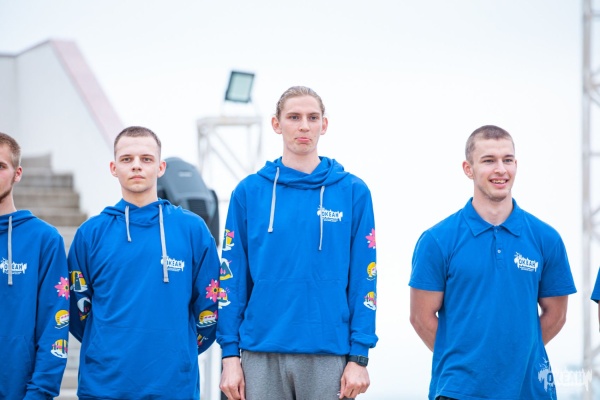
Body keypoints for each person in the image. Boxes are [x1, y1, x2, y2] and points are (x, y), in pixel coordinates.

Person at [217, 86, 378, 400]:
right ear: (276, 124)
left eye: (312, 117)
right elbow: (231, 279)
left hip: (329, 352)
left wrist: (359, 356)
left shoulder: (353, 192)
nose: (304, 126)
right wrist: (229, 356)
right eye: (294, 117)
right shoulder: (248, 192)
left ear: (324, 125)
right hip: (260, 352)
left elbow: (365, 277)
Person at [409, 125, 577, 400]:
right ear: (468, 169)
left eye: (507, 160)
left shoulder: (546, 238)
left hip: (529, 391)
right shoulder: (437, 240)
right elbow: (420, 318)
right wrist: (467, 360)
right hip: (458, 391)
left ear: (516, 165)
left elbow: (556, 315)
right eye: (489, 160)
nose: (501, 169)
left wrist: (513, 356)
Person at [68, 126, 221, 399]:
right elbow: (78, 310)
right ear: (114, 168)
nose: (136, 166)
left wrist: (178, 350)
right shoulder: (90, 234)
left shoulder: (192, 230)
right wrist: (105, 347)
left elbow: (209, 306)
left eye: (146, 159)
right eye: (127, 159)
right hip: (104, 386)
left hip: (173, 387)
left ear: (161, 167)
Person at [0, 132, 69, 399]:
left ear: (17, 174)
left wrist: (40, 393)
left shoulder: (44, 239)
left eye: (0, 166)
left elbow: (56, 322)